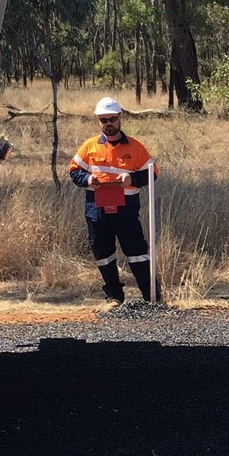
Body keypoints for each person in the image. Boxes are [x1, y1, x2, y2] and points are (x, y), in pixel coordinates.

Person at [70, 96, 157, 305]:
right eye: (103, 120)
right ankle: (114, 297)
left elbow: (153, 173)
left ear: (120, 118)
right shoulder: (89, 147)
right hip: (96, 211)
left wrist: (132, 179)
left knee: (137, 254)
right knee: (103, 254)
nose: (108, 123)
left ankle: (152, 298)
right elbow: (74, 171)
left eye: (111, 119)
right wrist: (89, 179)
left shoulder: (136, 148)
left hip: (126, 212)